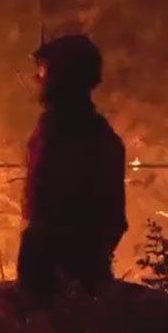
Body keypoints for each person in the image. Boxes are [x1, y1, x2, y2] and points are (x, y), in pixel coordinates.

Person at [17, 34, 127, 298]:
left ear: (62, 79)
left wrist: (71, 268)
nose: (38, 80)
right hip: (69, 274)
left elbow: (106, 219)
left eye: (43, 73)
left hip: (65, 278)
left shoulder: (77, 139)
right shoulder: (88, 135)